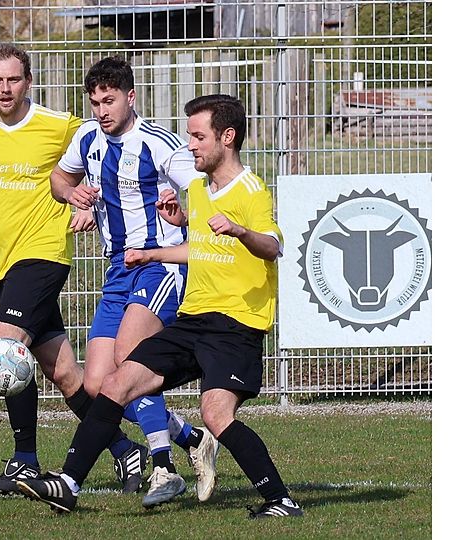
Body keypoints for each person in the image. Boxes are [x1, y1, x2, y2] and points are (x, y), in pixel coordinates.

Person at [16, 94, 304, 519]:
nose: (190, 145)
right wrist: (153, 252)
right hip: (193, 321)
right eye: (189, 136)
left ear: (228, 137)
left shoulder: (251, 189)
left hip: (235, 326)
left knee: (216, 414)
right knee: (117, 383)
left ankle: (281, 500)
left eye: (198, 136)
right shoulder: (202, 190)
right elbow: (203, 248)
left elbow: (272, 245)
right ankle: (69, 483)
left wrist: (241, 230)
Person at [0, 43, 147, 497]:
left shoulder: (59, 126)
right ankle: (126, 448)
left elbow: (110, 160)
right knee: (65, 374)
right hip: (2, 261)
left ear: (29, 81)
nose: (6, 89)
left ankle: (24, 460)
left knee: (4, 350)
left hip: (44, 253)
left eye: (15, 80)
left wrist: (89, 204)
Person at [50, 56, 220, 507]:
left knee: (130, 358)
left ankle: (163, 467)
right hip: (118, 269)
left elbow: (204, 191)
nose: (101, 111)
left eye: (109, 101)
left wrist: (181, 211)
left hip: (161, 265)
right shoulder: (87, 138)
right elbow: (59, 178)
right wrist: (75, 196)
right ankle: (189, 436)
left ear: (130, 97)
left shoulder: (158, 144)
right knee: (97, 384)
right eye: (94, 103)